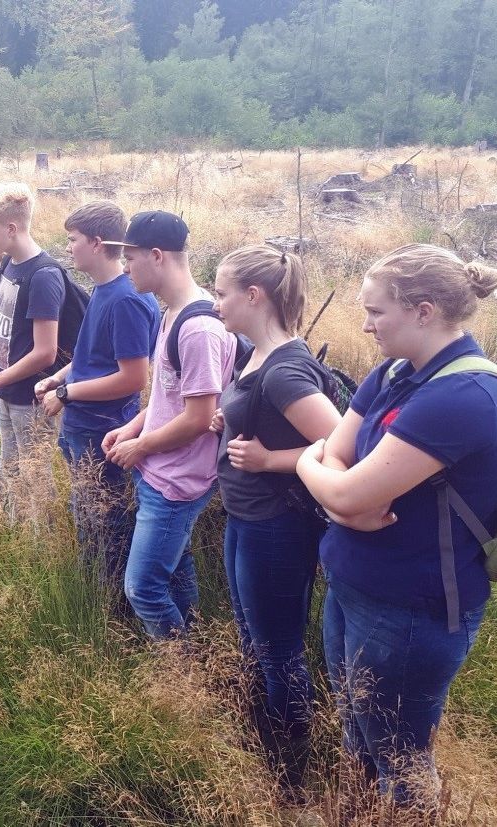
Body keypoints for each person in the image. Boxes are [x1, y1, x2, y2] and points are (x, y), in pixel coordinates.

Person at [296, 244, 497, 811]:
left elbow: (335, 474)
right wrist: (341, 497)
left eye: (375, 312)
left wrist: (306, 468)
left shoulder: (463, 396)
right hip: (354, 586)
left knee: (401, 759)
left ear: (423, 311)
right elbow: (340, 462)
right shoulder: (396, 373)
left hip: (410, 611)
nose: (364, 325)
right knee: (357, 736)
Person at [209, 245, 341, 800]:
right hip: (247, 519)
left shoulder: (285, 370)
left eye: (221, 293)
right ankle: (266, 744)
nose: (215, 303)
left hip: (276, 527)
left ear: (253, 295)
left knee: (278, 649)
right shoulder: (259, 354)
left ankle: (291, 774)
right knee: (255, 641)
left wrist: (271, 461)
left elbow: (341, 445)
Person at [100, 210, 236, 639]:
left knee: (142, 589)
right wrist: (135, 427)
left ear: (157, 256)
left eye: (131, 258)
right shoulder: (170, 314)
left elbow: (199, 417)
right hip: (162, 470)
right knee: (174, 572)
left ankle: (183, 672)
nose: (125, 268)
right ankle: (194, 645)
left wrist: (141, 447)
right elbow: (169, 396)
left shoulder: (197, 328)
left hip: (178, 481)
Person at [36, 201, 158, 596]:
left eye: (72, 240)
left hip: (102, 430)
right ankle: (93, 597)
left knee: (106, 523)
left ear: (97, 242)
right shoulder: (102, 291)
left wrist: (66, 393)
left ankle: (112, 609)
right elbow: (93, 357)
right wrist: (57, 376)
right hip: (80, 425)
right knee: (85, 516)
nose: (67, 247)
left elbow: (133, 378)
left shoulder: (126, 299)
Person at [0, 183, 64, 521]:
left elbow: (45, 352)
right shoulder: (7, 268)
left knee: (37, 479)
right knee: (12, 472)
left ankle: (44, 553)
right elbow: (3, 333)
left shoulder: (43, 275)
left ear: (11, 228)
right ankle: (20, 540)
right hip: (7, 392)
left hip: (32, 397)